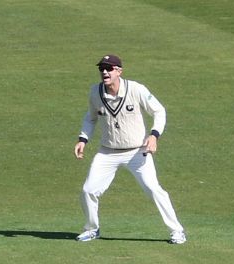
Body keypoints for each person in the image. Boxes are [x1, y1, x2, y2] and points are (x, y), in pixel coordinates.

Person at [74, 54, 186, 245]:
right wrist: (83, 139)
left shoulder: (135, 89)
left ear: (119, 71)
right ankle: (92, 229)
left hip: (136, 152)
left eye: (109, 68)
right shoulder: (95, 92)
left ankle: (177, 231)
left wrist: (154, 135)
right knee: (88, 190)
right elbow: (90, 117)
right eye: (102, 68)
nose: (104, 72)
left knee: (154, 189)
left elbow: (159, 111)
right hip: (107, 152)